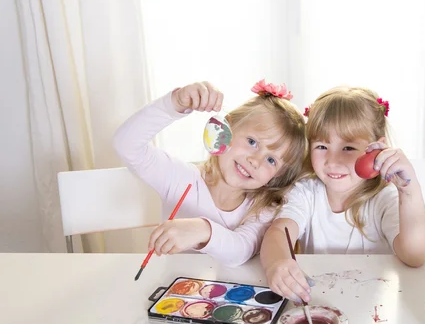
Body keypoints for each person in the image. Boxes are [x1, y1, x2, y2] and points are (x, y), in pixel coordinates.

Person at [260, 86, 425, 303]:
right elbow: (278, 232)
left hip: (371, 307)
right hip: (321, 301)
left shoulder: (383, 198)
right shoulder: (307, 192)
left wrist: (409, 190)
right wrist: (277, 263)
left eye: (348, 148)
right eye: (322, 146)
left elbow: (415, 256)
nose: (333, 161)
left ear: (377, 148)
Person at [113, 79, 307, 267]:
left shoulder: (262, 207)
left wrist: (202, 230)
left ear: (278, 175)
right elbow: (126, 144)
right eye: (252, 142)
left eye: (271, 160)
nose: (255, 161)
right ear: (225, 128)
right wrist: (174, 104)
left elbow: (241, 251)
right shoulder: (181, 179)